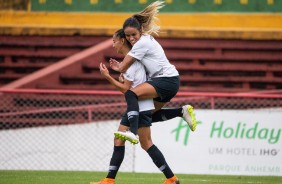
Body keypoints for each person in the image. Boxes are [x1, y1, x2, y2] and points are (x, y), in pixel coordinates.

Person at [91, 29, 180, 184]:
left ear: (122, 41)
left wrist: (108, 78)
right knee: (119, 139)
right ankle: (109, 179)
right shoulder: (130, 61)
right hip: (136, 106)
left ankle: (171, 178)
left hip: (141, 107)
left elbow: (127, 90)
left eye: (114, 41)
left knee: (146, 144)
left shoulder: (131, 63)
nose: (113, 44)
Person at [110, 0, 196, 144]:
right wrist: (121, 68)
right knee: (147, 115)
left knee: (131, 94)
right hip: (170, 81)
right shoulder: (144, 40)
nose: (131, 39)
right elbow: (130, 67)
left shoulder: (141, 43)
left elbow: (124, 67)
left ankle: (132, 133)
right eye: (128, 36)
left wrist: (116, 70)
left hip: (166, 80)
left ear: (140, 31)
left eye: (133, 35)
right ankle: (181, 111)